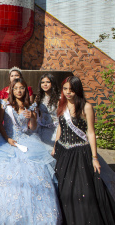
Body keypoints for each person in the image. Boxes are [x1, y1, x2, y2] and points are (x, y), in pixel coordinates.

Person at [0, 78, 61, 224]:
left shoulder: (31, 105)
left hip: (27, 141)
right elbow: (0, 123)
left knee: (34, 173)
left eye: (21, 88)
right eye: (15, 88)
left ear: (25, 90)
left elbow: (33, 128)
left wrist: (32, 117)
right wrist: (7, 139)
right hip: (7, 140)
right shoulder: (4, 103)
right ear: (11, 90)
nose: (19, 91)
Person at [53, 76, 115, 224]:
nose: (68, 92)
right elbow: (60, 127)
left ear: (78, 90)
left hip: (80, 153)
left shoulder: (86, 106)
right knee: (63, 186)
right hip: (63, 151)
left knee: (81, 189)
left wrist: (94, 157)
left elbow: (91, 133)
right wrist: (55, 145)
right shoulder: (60, 104)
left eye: (72, 90)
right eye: (65, 89)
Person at [35, 73, 60, 153]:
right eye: (42, 82)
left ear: (52, 83)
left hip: (55, 129)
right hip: (41, 128)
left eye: (48, 82)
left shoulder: (59, 98)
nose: (45, 84)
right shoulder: (39, 97)